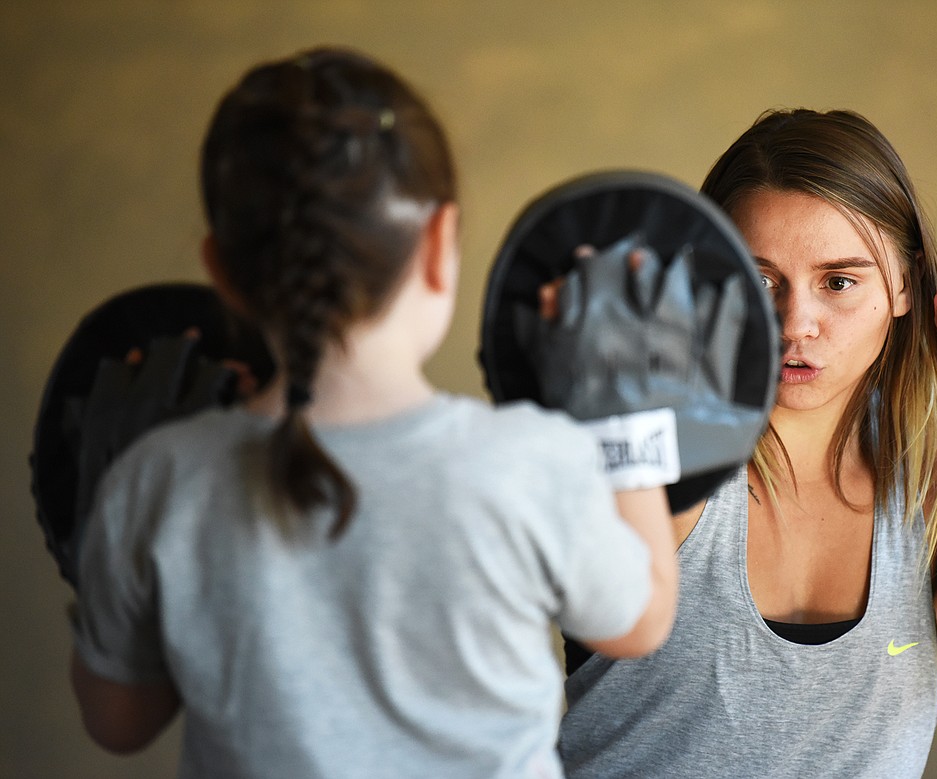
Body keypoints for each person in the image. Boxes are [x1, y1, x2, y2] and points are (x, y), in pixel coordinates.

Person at [67, 46, 678, 778]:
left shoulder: (155, 479)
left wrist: (97, 526)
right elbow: (641, 622)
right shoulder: (528, 463)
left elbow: (118, 720)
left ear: (222, 272)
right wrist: (620, 409)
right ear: (438, 244)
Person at [557, 108, 937, 777]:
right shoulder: (657, 453)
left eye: (839, 282)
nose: (796, 324)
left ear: (903, 284)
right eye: (760, 281)